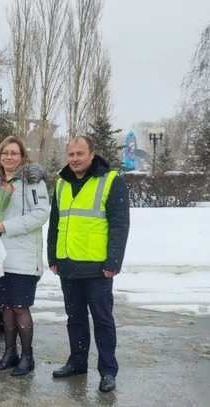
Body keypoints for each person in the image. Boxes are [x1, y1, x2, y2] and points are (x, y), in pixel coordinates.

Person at [47, 136, 130, 393]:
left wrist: (113, 262)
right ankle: (77, 362)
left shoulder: (111, 181)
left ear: (92, 154)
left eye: (80, 154)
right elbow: (55, 224)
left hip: (97, 267)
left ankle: (107, 371)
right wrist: (53, 257)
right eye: (71, 154)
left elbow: (120, 225)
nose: (74, 159)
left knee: (103, 320)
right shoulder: (61, 183)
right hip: (68, 264)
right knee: (75, 318)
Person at [0, 136, 50, 376]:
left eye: (14, 153)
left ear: (22, 157)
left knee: (21, 307)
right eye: (5, 153)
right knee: (6, 306)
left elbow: (41, 214)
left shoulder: (32, 182)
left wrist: (7, 227)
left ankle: (27, 356)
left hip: (23, 254)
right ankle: (9, 352)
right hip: (0, 255)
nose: (9, 157)